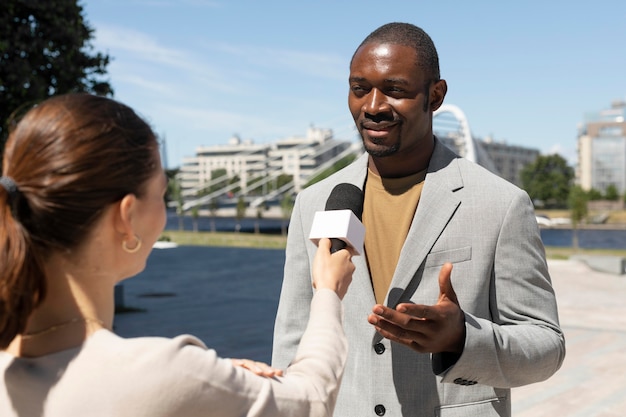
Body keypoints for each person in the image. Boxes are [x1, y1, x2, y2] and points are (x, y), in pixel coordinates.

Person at [272, 22, 565, 417]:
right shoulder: (313, 202)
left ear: (436, 95)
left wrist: (462, 337)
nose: (373, 106)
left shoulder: (501, 203)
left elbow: (546, 347)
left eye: (395, 90)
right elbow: (292, 341)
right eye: (359, 89)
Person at [0, 93, 356, 417]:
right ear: (126, 216)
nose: (165, 210)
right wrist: (327, 292)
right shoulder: (164, 374)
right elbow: (311, 400)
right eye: (162, 194)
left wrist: (211, 388)